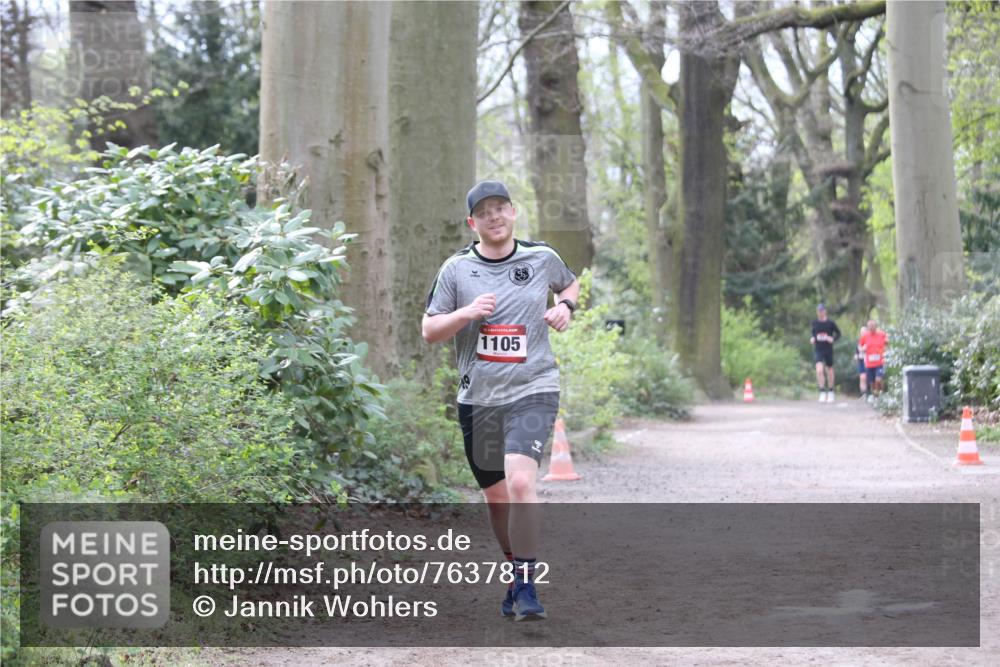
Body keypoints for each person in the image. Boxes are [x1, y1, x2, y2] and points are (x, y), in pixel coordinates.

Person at [421, 180, 580, 621]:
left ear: (513, 213)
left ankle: (528, 586)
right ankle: (515, 573)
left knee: (522, 483)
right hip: (480, 398)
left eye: (500, 208)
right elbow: (429, 330)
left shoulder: (541, 257)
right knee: (497, 499)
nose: (494, 217)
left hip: (534, 388)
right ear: (472, 223)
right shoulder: (456, 270)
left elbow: (570, 285)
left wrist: (566, 308)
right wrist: (466, 314)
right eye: (484, 212)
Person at [809, 304, 841, 403]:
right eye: (819, 311)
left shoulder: (830, 323)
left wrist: (832, 339)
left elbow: (839, 334)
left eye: (822, 311)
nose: (820, 313)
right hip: (818, 349)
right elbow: (813, 334)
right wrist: (812, 338)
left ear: (825, 311)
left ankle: (831, 391)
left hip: (828, 349)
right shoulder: (814, 323)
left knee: (829, 370)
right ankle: (822, 391)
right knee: (819, 370)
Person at [859, 319, 888, 404]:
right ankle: (874, 394)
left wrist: (886, 351)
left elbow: (887, 342)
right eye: (869, 326)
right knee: (871, 382)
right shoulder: (865, 336)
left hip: (879, 362)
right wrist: (863, 349)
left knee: (878, 379)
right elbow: (860, 346)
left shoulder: (881, 334)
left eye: (872, 326)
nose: (871, 328)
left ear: (876, 326)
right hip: (869, 363)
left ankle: (878, 394)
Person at [855, 325, 869, 398]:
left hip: (870, 361)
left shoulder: (870, 340)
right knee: (862, 377)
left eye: (864, 331)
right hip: (861, 361)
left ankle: (871, 394)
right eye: (862, 332)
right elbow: (857, 352)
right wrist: (856, 356)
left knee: (869, 377)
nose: (863, 333)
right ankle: (864, 394)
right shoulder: (859, 341)